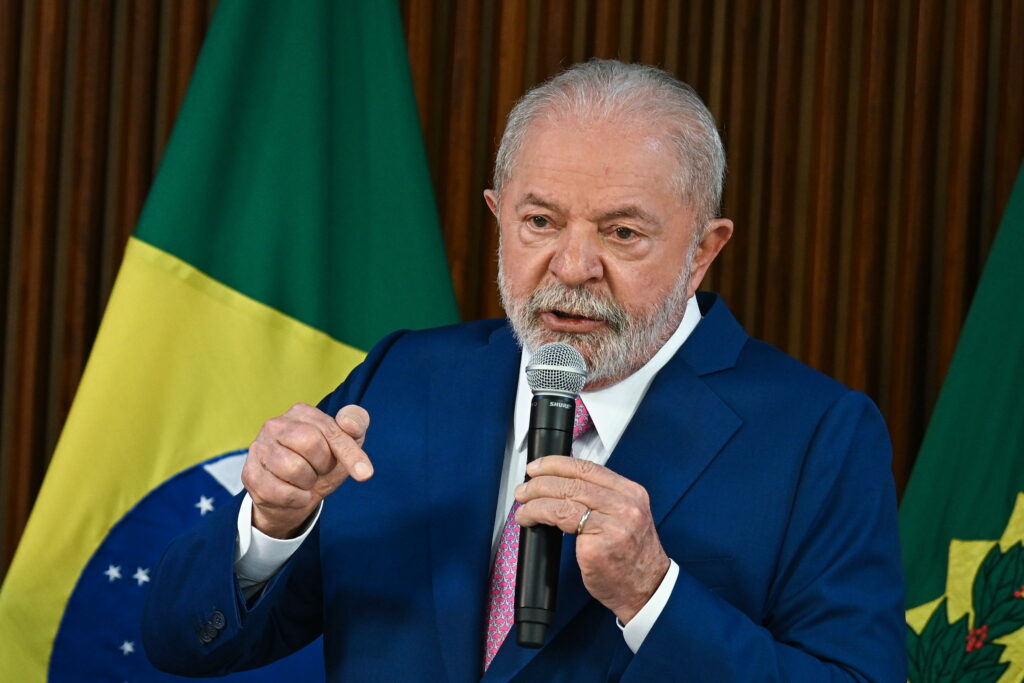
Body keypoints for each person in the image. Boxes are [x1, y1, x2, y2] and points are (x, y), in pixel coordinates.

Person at [143, 60, 905, 681]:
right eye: (540, 222)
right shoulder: (403, 380)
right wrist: (269, 527)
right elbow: (182, 641)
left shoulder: (819, 436)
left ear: (704, 250)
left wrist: (654, 595)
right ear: (497, 215)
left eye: (622, 232)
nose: (572, 267)